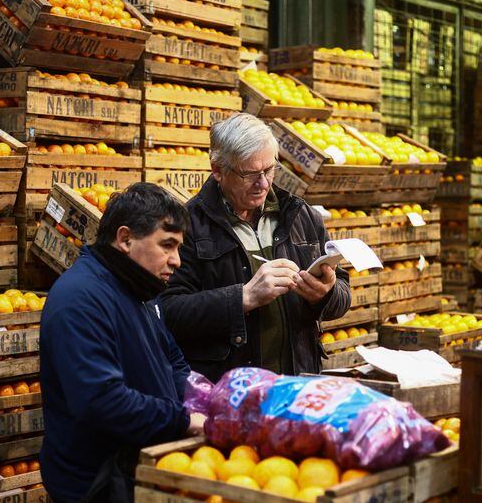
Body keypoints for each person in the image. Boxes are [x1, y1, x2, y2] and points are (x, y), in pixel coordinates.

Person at [39, 183, 206, 503]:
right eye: (167, 246)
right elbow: (101, 401)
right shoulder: (80, 299)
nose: (177, 261)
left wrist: (206, 399)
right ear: (125, 238)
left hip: (133, 473)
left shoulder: (140, 288)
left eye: (179, 248)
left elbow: (171, 358)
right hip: (94, 485)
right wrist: (182, 421)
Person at [161, 113, 351, 382]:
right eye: (250, 173)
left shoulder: (300, 216)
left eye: (269, 170)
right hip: (231, 394)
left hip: (297, 387)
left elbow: (343, 294)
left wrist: (325, 293)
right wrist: (243, 297)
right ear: (218, 170)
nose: (263, 183)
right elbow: (168, 312)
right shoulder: (188, 226)